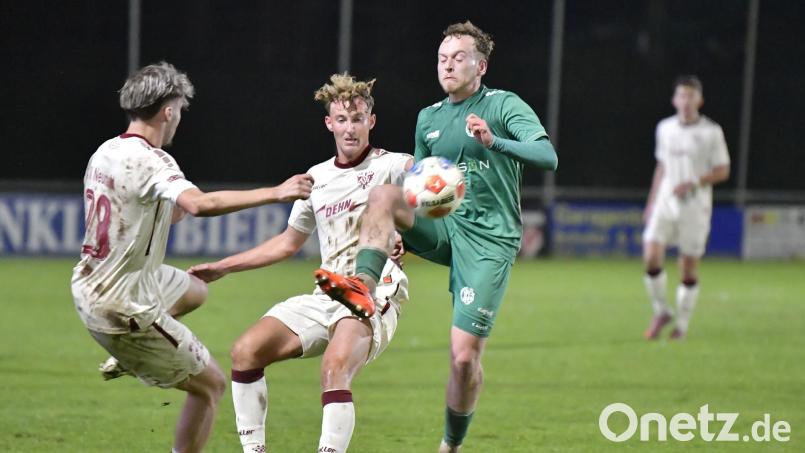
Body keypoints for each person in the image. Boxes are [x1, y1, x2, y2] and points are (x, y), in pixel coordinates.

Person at [313, 22, 558, 453]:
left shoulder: (504, 105)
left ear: (480, 66)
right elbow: (419, 187)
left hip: (489, 240)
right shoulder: (429, 118)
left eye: (458, 58)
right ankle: (362, 288)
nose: (447, 65)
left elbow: (547, 155)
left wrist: (494, 140)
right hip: (446, 225)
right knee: (385, 195)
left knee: (464, 359)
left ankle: (451, 444)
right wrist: (397, 230)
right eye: (442, 58)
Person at [70, 61, 313, 453]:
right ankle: (135, 351)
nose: (179, 118)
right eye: (179, 110)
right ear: (168, 111)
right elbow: (199, 205)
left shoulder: (107, 151)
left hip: (91, 283)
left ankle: (132, 354)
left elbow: (156, 207)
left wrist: (173, 204)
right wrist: (276, 192)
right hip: (122, 305)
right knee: (211, 387)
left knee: (196, 289)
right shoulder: (153, 160)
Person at [187, 74, 411, 453]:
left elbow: (430, 207)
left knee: (334, 368)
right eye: (342, 119)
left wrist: (407, 235)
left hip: (374, 289)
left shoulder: (395, 167)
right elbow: (287, 243)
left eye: (358, 118)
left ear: (372, 121)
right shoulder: (317, 179)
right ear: (329, 124)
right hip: (327, 291)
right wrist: (224, 266)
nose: (350, 127)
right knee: (245, 351)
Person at [642, 75, 730, 340]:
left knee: (687, 266)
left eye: (691, 96)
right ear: (674, 100)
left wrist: (695, 182)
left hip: (695, 207)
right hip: (665, 203)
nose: (686, 101)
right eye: (681, 95)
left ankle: (681, 325)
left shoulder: (711, 132)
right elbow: (661, 167)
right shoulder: (665, 128)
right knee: (651, 256)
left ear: (699, 100)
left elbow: (723, 170)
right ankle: (661, 311)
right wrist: (651, 202)